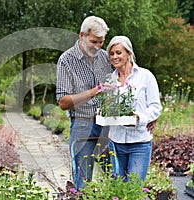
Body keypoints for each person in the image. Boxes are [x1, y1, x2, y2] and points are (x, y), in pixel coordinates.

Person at [56, 16, 114, 189]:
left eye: (101, 42)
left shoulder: (105, 58)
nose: (97, 47)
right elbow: (63, 102)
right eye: (93, 42)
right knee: (83, 183)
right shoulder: (67, 60)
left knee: (117, 178)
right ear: (82, 35)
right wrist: (93, 92)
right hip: (82, 124)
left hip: (108, 126)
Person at [105, 36, 162, 181]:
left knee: (134, 188)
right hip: (116, 142)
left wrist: (140, 118)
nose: (114, 57)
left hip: (139, 143)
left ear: (129, 54)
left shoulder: (145, 76)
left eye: (118, 53)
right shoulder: (110, 80)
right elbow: (108, 107)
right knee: (118, 187)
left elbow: (156, 107)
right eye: (112, 54)